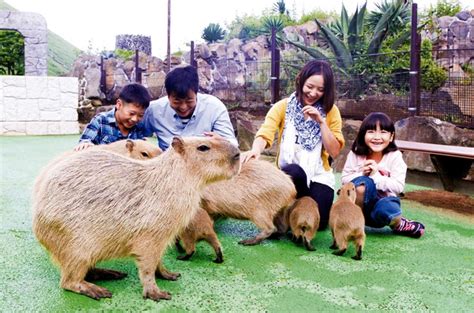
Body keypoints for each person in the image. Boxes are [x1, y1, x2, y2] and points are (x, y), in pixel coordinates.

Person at [241, 60, 345, 230]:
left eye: (320, 89)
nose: (313, 93)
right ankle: (290, 209)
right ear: (300, 81)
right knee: (294, 170)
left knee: (320, 223)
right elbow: (266, 131)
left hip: (318, 175)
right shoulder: (283, 106)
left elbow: (334, 151)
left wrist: (321, 122)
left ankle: (291, 211)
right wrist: (256, 149)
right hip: (290, 175)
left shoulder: (331, 111)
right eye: (309, 86)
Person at [341, 112, 425, 238]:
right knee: (363, 183)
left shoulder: (395, 157)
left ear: (391, 137)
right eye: (371, 131)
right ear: (363, 134)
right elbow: (344, 180)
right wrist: (361, 174)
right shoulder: (355, 155)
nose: (377, 137)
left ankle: (398, 224)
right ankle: (352, 224)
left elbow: (399, 186)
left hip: (382, 210)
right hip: (359, 208)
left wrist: (376, 176)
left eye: (383, 132)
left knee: (386, 208)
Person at [142, 65, 237, 151]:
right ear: (168, 95)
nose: (183, 107)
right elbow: (135, 132)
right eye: (177, 101)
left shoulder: (214, 107)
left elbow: (233, 144)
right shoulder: (154, 110)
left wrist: (223, 143)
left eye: (189, 101)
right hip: (169, 167)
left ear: (196, 93)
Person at [75, 83, 151, 151]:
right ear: (119, 105)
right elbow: (86, 140)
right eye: (131, 113)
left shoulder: (139, 127)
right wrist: (85, 144)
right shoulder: (100, 120)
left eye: (140, 115)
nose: (135, 119)